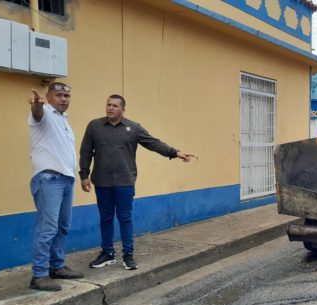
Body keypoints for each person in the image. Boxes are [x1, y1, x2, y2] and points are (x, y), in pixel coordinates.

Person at [79, 95, 196, 270]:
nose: (110, 108)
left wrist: (174, 152)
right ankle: (107, 253)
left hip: (124, 181)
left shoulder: (133, 128)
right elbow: (86, 152)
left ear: (123, 110)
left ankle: (128, 255)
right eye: (108, 105)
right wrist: (84, 175)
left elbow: (153, 143)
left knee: (125, 218)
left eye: (115, 106)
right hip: (102, 181)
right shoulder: (94, 126)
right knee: (106, 218)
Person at [27, 83, 84, 291]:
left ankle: (56, 267)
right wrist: (37, 105)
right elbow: (37, 113)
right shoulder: (44, 115)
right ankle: (39, 275)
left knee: (62, 227)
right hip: (49, 179)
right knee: (47, 228)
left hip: (67, 180)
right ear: (49, 97)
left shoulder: (64, 121)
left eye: (67, 95)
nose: (64, 99)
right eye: (59, 95)